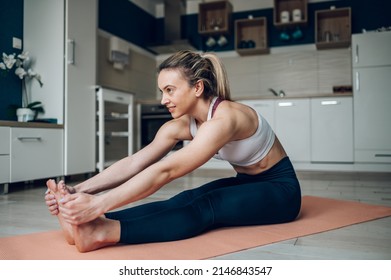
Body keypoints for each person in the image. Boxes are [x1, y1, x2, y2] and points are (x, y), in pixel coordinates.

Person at [45, 50, 301, 253]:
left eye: (170, 90)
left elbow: (166, 171)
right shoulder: (181, 125)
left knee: (205, 205)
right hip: (246, 183)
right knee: (186, 198)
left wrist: (98, 203)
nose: (163, 99)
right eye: (162, 91)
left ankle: (102, 232)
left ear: (198, 88)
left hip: (281, 191)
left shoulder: (226, 119)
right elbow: (136, 162)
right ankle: (90, 224)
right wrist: (79, 191)